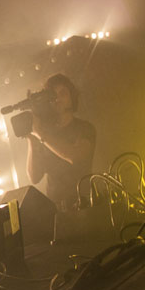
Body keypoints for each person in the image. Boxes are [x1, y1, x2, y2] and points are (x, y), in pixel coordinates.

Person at [24, 73, 96, 211]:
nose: (57, 99)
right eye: (53, 95)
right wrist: (31, 138)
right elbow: (34, 177)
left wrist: (40, 134)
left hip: (84, 205)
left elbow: (74, 157)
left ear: (72, 97)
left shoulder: (85, 128)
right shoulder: (44, 134)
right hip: (56, 209)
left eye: (63, 93)